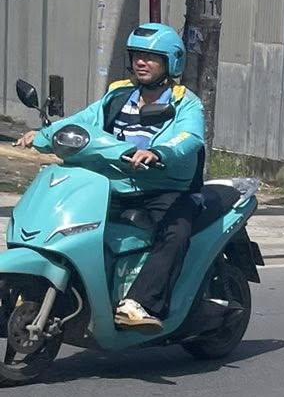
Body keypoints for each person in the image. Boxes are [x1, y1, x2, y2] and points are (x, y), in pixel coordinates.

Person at [19, 22, 206, 329]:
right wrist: (42, 135)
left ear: (171, 62)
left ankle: (141, 303)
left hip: (166, 190)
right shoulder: (119, 94)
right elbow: (83, 121)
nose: (142, 62)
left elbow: (189, 138)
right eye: (137, 55)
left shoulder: (184, 102)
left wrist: (159, 152)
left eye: (151, 57)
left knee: (176, 233)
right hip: (114, 184)